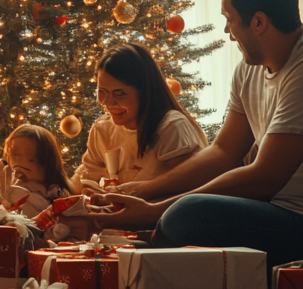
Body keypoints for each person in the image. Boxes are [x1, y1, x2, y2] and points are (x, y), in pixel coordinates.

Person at [88, 0, 303, 264]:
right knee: (182, 214)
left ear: (258, 22)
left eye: (229, 19)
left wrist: (155, 212)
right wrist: (147, 191)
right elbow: (223, 152)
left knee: (187, 214)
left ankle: (146, 275)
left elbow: (265, 177)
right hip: (281, 210)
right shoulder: (249, 69)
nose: (227, 31)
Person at [75, 42, 209, 191]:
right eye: (102, 91)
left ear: (145, 92)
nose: (107, 102)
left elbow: (184, 193)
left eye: (120, 94)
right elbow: (86, 178)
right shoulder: (102, 129)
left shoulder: (172, 127)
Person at [0, 124, 76, 219]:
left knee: (23, 202)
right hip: (1, 203)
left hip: (24, 216)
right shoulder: (9, 172)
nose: (21, 165)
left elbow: (61, 204)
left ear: (46, 163)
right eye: (15, 155)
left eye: (31, 159)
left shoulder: (49, 189)